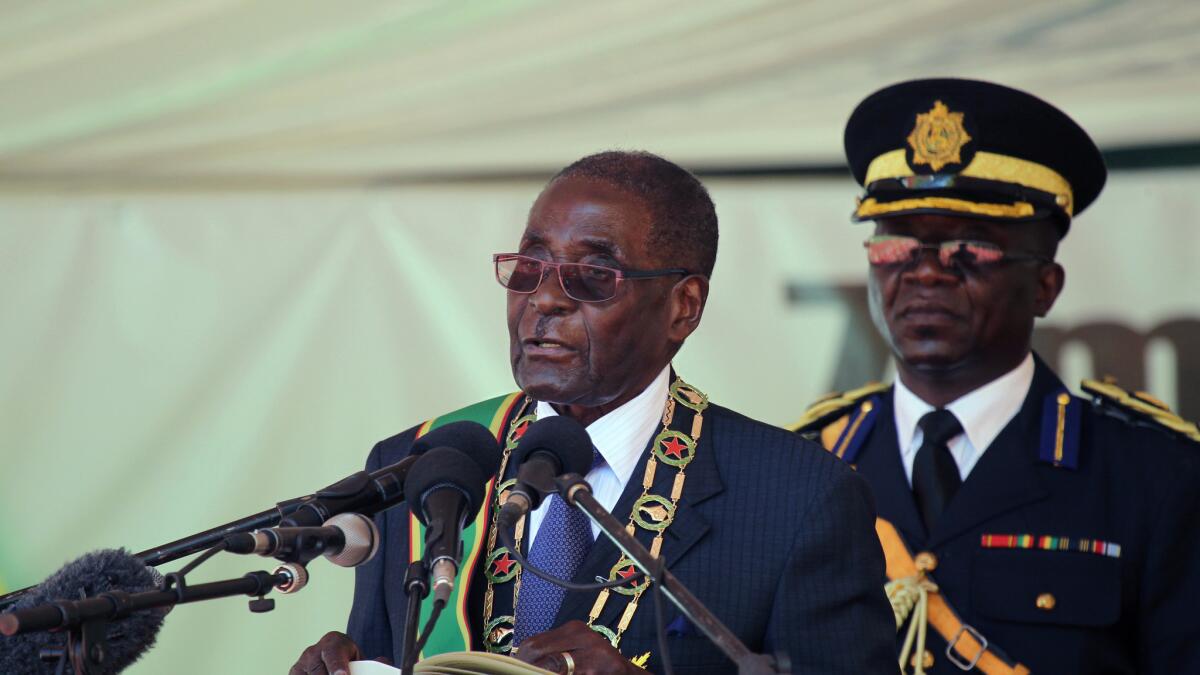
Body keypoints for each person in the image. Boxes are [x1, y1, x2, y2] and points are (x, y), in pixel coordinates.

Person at [291, 151, 895, 675]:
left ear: (683, 306)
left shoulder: (799, 498)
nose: (545, 298)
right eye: (530, 267)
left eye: (592, 275)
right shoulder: (419, 467)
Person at [793, 78, 1200, 674]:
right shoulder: (806, 464)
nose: (926, 273)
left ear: (1045, 286)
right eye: (897, 245)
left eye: (969, 248)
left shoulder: (1155, 476)